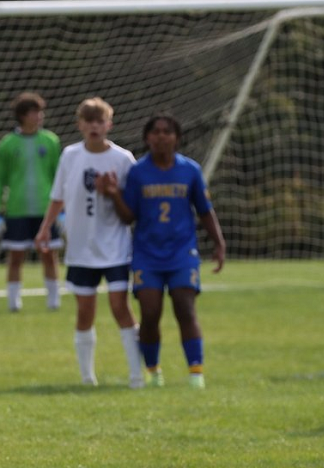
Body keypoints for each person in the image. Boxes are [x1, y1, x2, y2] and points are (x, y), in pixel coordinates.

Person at [108, 113, 226, 388]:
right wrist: (114, 195)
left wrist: (219, 244)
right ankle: (153, 370)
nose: (161, 136)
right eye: (156, 132)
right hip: (147, 255)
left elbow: (205, 211)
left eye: (167, 131)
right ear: (147, 138)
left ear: (177, 137)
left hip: (182, 253)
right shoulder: (137, 172)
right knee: (150, 313)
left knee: (185, 308)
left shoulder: (190, 170)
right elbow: (128, 217)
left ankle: (196, 373)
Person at [35, 97, 144, 388]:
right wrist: (45, 228)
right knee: (85, 311)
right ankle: (87, 378)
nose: (94, 126)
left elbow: (133, 204)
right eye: (89, 121)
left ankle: (137, 375)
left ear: (109, 124)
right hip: (81, 248)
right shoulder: (70, 155)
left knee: (121, 307)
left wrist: (112, 192)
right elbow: (58, 196)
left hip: (116, 247)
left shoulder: (123, 159)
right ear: (80, 124)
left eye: (100, 121)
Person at [0, 91, 62, 312]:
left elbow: (59, 176)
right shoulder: (8, 144)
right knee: (16, 256)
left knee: (49, 254)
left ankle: (54, 301)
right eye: (34, 112)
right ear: (22, 115)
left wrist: (62, 209)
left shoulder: (51, 140)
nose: (40, 116)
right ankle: (13, 303)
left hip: (45, 209)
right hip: (17, 210)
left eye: (41, 111)